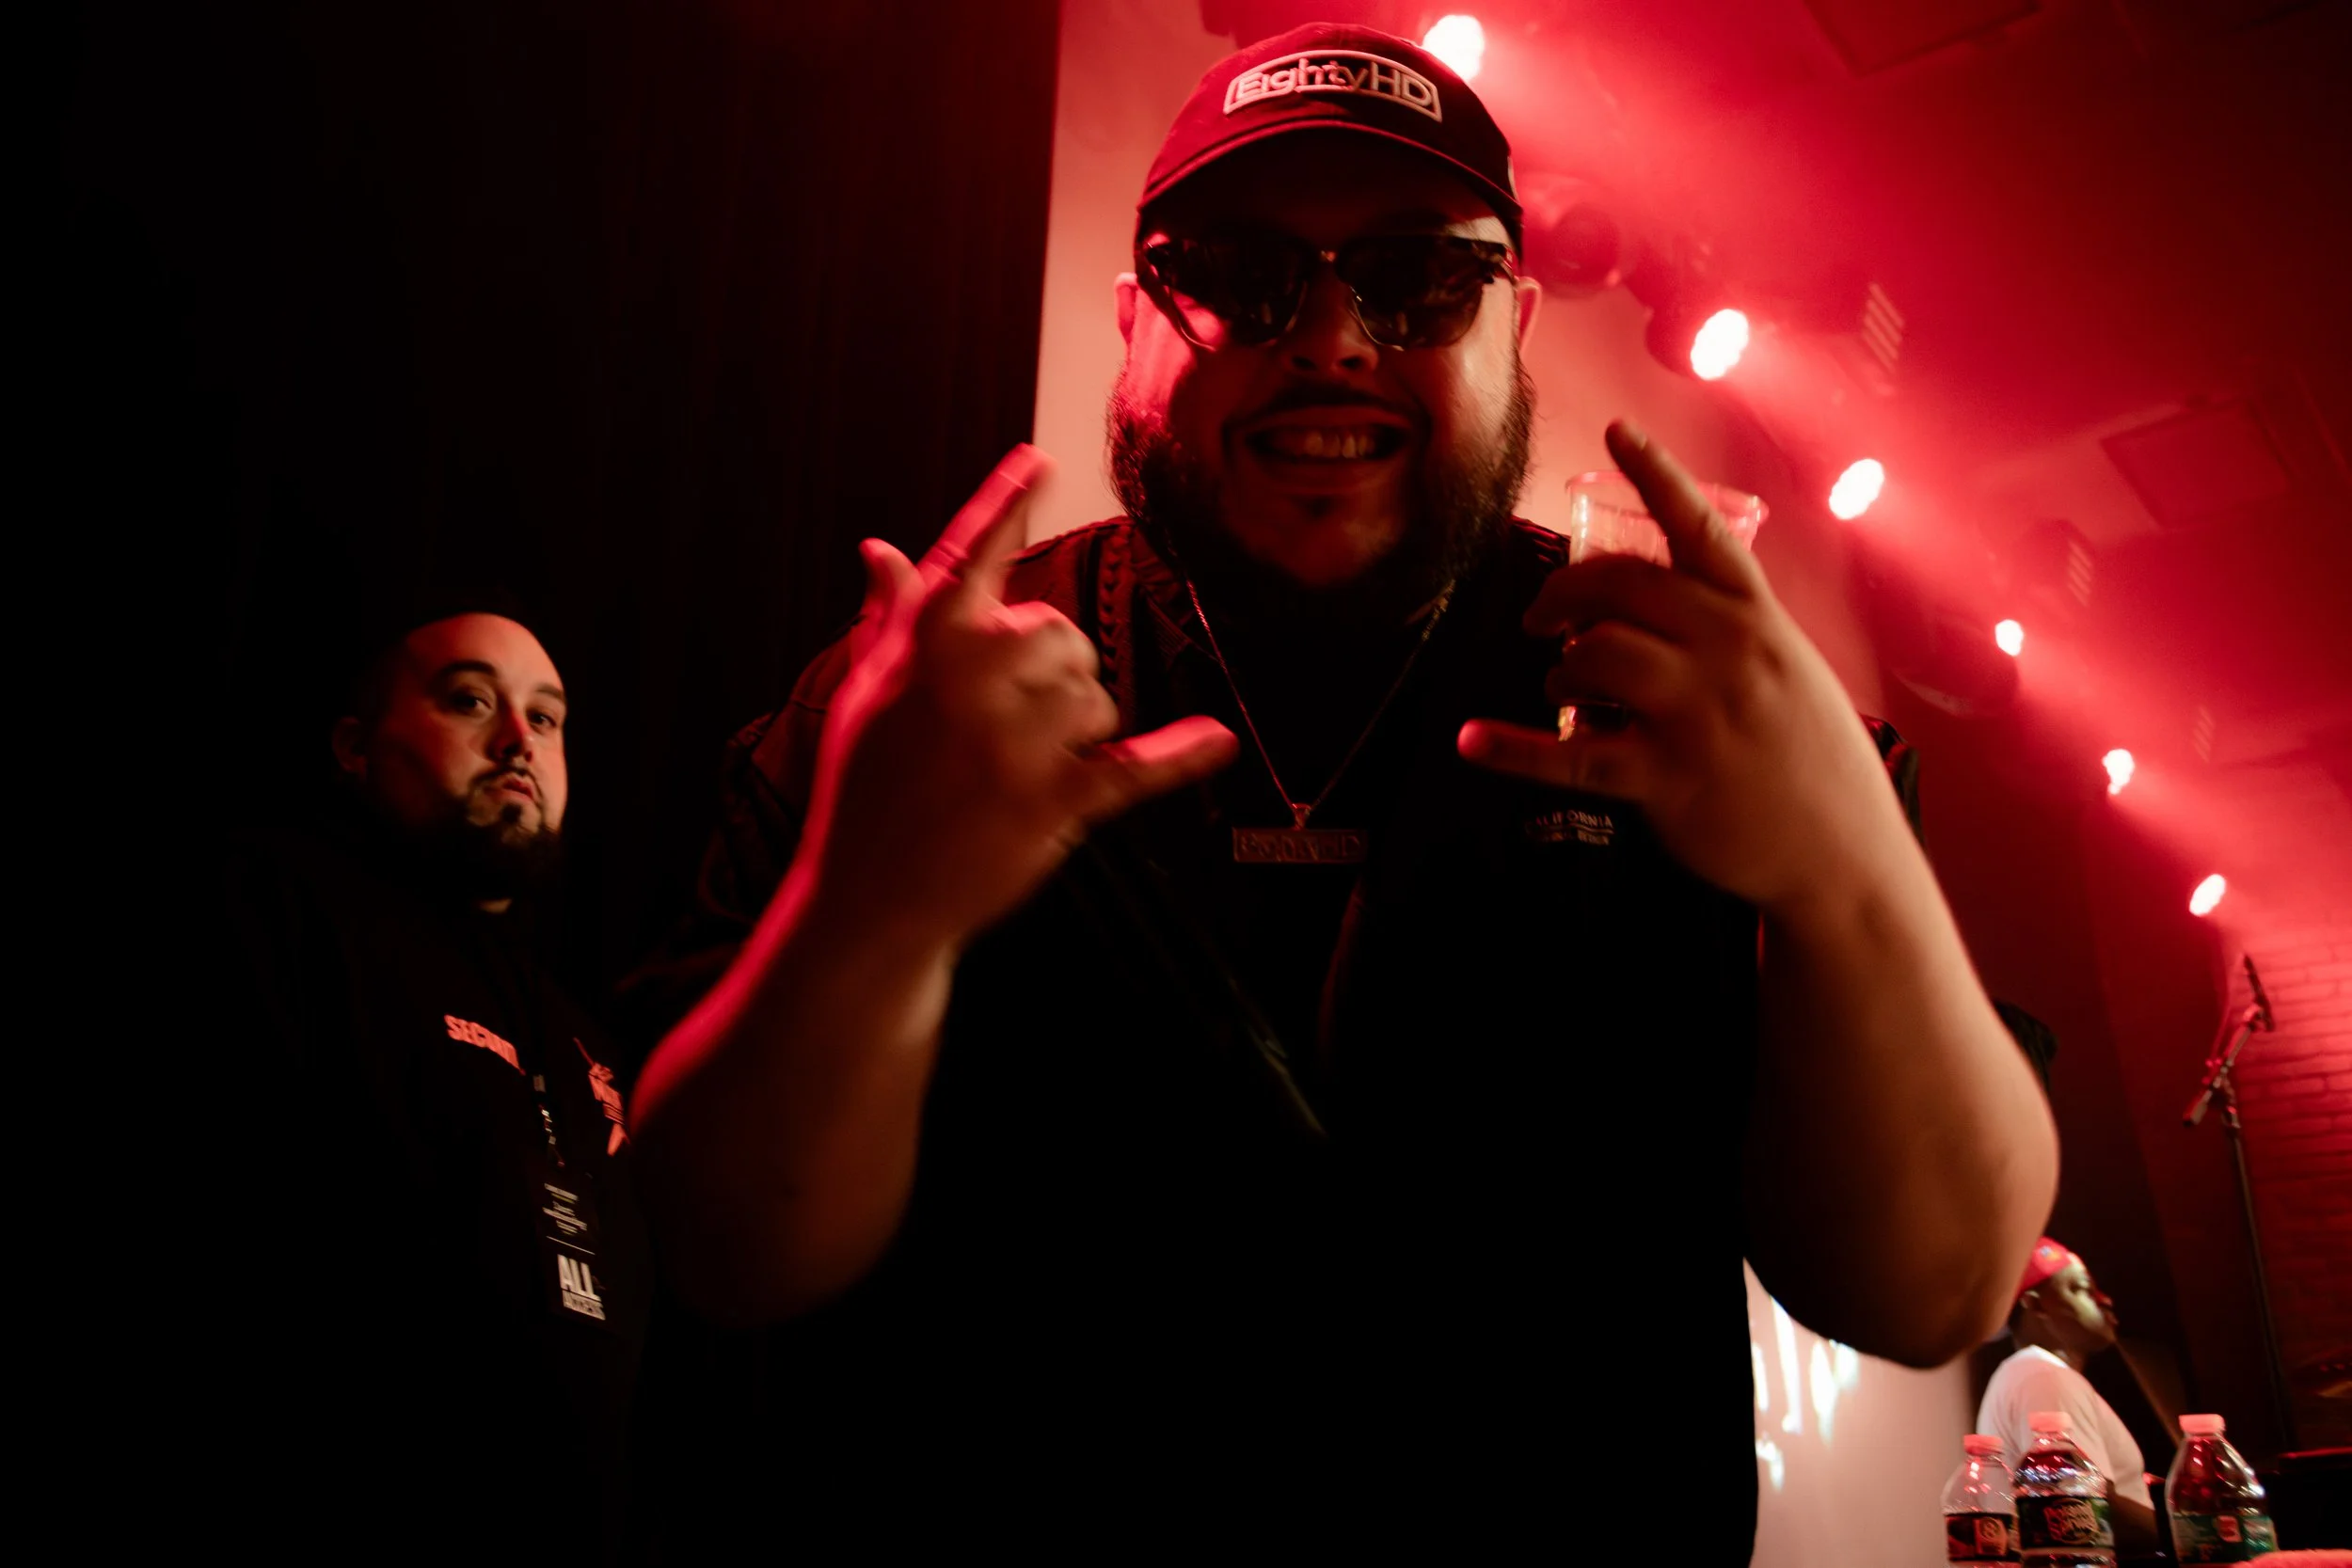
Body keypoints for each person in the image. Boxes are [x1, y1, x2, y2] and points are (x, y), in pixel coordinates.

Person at [628, 22, 2058, 1550]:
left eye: (1415, 278)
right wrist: (872, 914)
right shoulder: (926, 698)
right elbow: (720, 1247)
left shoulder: (1692, 694)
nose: (1327, 335)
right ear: (1132, 318)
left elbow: (1933, 1289)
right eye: (1236, 272)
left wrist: (1848, 868)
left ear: (1513, 322)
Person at [218, 604, 649, 1560]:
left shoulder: (584, 1037)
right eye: (470, 700)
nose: (518, 740)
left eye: (546, 717)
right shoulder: (274, 907)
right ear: (355, 745)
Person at [1979, 1238, 2164, 1558]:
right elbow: (2084, 1508)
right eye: (2081, 1289)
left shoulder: (2033, 1373)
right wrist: (2192, 1537)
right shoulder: (2045, 1376)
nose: (2105, 1300)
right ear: (2037, 1305)